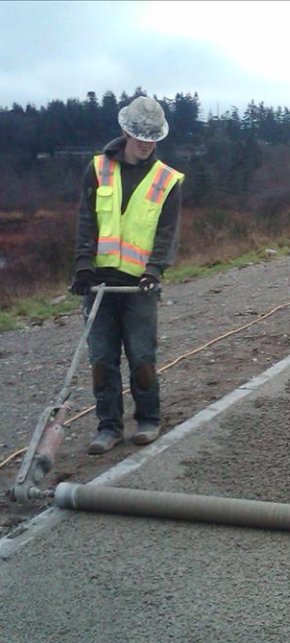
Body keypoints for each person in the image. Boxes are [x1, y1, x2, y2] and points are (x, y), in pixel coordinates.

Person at [69, 96, 184, 455]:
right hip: (100, 283)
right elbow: (87, 220)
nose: (147, 144)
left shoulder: (167, 179)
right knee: (101, 359)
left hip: (139, 286)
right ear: (125, 132)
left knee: (141, 356)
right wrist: (83, 266)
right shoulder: (98, 169)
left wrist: (154, 270)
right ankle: (108, 426)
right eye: (141, 138)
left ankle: (148, 418)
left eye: (153, 138)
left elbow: (167, 231)